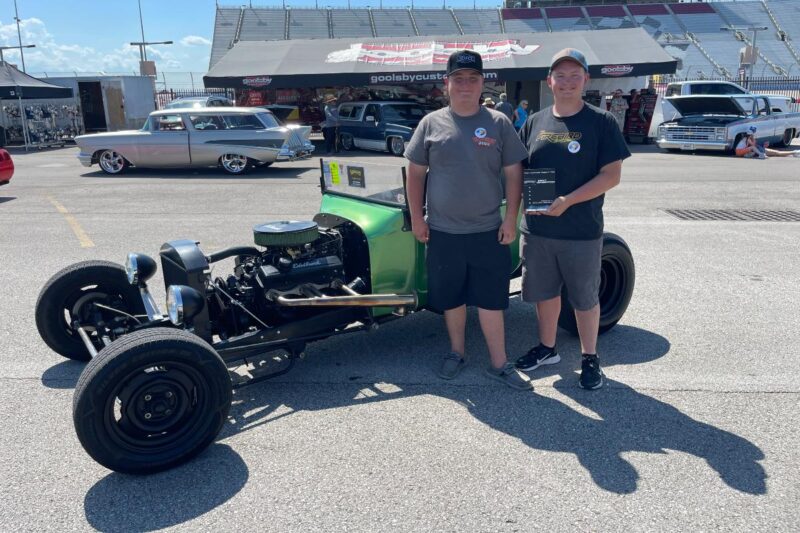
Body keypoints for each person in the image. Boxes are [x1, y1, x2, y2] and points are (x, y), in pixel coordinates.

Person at [405, 49, 532, 390]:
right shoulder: (430, 124)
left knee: (492, 300)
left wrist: (510, 218)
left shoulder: (499, 123)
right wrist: (418, 218)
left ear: (482, 84)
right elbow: (415, 175)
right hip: (443, 233)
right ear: (446, 84)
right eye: (458, 79)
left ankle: (500, 363)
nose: (465, 85)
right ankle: (457, 352)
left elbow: (514, 175)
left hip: (488, 231)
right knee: (453, 299)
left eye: (472, 79)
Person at [515, 48, 631, 390]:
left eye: (574, 76)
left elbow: (611, 175)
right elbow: (521, 169)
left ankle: (589, 357)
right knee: (544, 293)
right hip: (537, 230)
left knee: (584, 297)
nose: (567, 82)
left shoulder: (601, 122)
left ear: (586, 80)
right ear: (549, 81)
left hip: (580, 230)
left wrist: (568, 200)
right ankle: (547, 348)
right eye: (560, 76)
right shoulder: (535, 121)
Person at [734, 126, 800, 158]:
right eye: (753, 133)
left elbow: (753, 146)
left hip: (742, 151)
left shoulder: (747, 138)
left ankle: (794, 152)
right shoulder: (747, 138)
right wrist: (753, 138)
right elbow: (753, 145)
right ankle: (761, 155)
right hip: (739, 151)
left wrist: (762, 145)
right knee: (777, 153)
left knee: (777, 153)